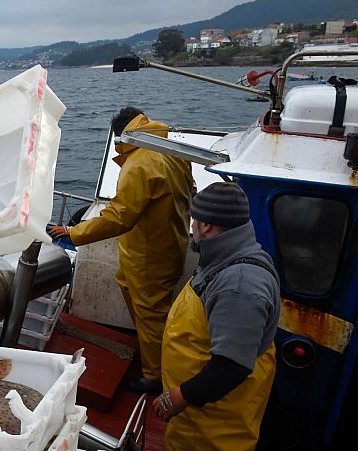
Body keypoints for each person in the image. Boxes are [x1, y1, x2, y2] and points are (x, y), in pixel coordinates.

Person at [48, 107, 193, 394]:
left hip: (149, 255)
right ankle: (152, 353)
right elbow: (191, 189)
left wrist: (73, 233)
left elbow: (119, 216)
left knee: (151, 313)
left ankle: (155, 375)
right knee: (131, 290)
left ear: (123, 134)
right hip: (166, 244)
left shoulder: (140, 163)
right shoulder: (173, 150)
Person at [152, 182, 280, 450]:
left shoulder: (241, 284)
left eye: (194, 220)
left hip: (213, 424)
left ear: (207, 226)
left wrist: (179, 396)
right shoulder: (224, 257)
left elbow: (231, 366)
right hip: (198, 414)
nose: (192, 227)